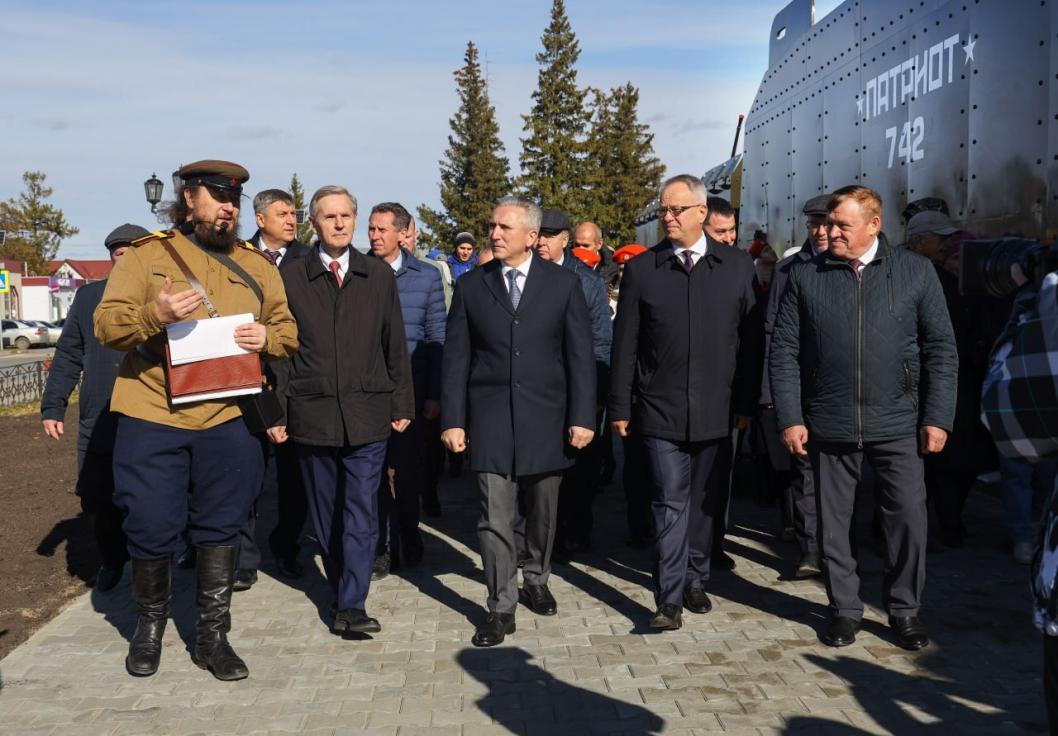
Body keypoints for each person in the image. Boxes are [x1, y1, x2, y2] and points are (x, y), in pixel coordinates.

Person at [95, 160, 298, 680]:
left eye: (234, 199)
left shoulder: (256, 265)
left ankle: (212, 636)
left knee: (222, 524)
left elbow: (286, 328)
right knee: (149, 524)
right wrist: (153, 316)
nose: (228, 206)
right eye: (217, 197)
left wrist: (267, 340)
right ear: (190, 200)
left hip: (228, 417)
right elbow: (105, 325)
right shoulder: (145, 257)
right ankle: (149, 628)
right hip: (152, 414)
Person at [770, 185, 957, 651]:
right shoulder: (806, 276)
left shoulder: (915, 272)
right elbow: (785, 352)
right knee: (833, 524)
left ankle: (904, 610)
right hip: (829, 422)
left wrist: (938, 417)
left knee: (909, 521)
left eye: (841, 226)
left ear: (874, 225)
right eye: (828, 224)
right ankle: (844, 609)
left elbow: (940, 349)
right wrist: (790, 417)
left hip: (897, 421)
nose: (829, 233)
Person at [609, 174, 763, 631]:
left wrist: (747, 403)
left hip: (719, 407)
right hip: (659, 407)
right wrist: (619, 407)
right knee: (668, 501)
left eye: (677, 210)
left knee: (704, 502)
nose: (668, 218)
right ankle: (669, 596)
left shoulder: (736, 268)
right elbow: (626, 345)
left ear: (702, 213)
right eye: (663, 210)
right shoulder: (643, 270)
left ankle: (697, 578)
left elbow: (751, 341)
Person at [441, 197, 595, 647]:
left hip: (547, 420)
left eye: (505, 227)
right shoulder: (473, 288)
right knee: (494, 518)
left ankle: (537, 577)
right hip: (489, 420)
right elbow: (456, 359)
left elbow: (579, 358)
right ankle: (500, 606)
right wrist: (453, 420)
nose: (494, 234)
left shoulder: (564, 285)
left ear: (531, 236)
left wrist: (583, 417)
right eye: (492, 226)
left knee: (543, 512)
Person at [271, 185, 414, 635]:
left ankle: (352, 602)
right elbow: (280, 354)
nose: (339, 223)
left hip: (368, 411)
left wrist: (401, 399)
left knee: (360, 510)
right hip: (312, 414)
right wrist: (277, 413)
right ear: (314, 223)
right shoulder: (291, 277)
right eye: (329, 216)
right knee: (325, 511)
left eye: (346, 216)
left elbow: (395, 344)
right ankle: (340, 585)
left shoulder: (377, 275)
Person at [41, 223, 147, 592]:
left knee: (150, 495)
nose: (127, 259)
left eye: (134, 253)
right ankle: (114, 559)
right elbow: (69, 352)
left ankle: (157, 560)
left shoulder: (163, 298)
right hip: (98, 417)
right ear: (112, 259)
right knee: (96, 498)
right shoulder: (89, 299)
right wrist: (53, 406)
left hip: (148, 416)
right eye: (120, 254)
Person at [906, 209, 1005, 550]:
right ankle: (934, 525)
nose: (947, 244)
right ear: (920, 241)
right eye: (941, 238)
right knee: (933, 461)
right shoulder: (923, 278)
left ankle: (937, 523)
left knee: (945, 459)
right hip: (927, 381)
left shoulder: (948, 279)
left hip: (954, 378)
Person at [235, 188, 313, 589]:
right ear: (260, 219)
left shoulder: (307, 259)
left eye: (294, 213)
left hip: (292, 377)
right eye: (282, 213)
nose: (291, 220)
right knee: (246, 472)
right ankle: (244, 558)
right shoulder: (234, 255)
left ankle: (286, 547)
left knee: (292, 474)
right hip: (244, 377)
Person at [367, 202, 446, 578]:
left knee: (409, 473)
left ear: (403, 233)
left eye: (383, 229)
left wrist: (434, 394)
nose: (375, 236)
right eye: (371, 229)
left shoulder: (426, 276)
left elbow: (436, 338)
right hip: (368, 393)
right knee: (375, 474)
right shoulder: (359, 271)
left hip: (412, 392)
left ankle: (408, 532)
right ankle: (382, 546)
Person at [533, 208, 612, 558]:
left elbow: (600, 341)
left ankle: (576, 532)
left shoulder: (585, 280)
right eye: (538, 234)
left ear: (565, 239)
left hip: (576, 389)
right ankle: (539, 537)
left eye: (549, 235)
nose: (541, 242)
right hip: (537, 391)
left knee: (580, 470)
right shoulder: (525, 274)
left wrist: (595, 393)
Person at [759, 195, 830, 578]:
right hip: (798, 387)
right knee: (803, 471)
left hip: (837, 388)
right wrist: (770, 394)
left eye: (825, 223)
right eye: (813, 224)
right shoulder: (788, 270)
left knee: (838, 474)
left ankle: (839, 545)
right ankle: (811, 549)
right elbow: (772, 334)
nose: (819, 231)